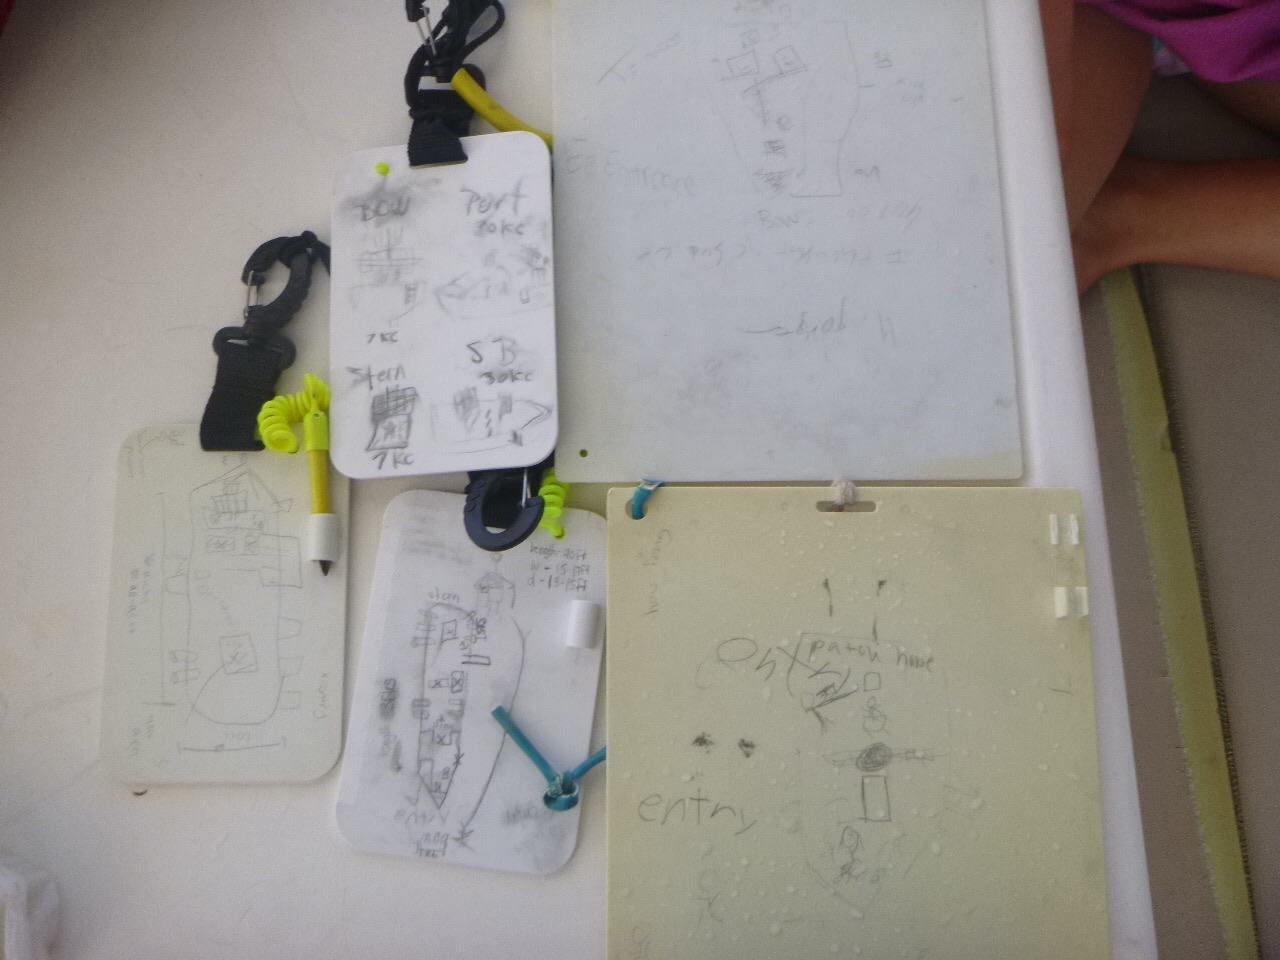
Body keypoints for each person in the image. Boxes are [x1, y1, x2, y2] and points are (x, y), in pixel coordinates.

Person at [1039, 0, 1280, 292]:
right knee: (1010, 221)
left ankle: (1113, 217)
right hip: (1097, 13)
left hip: (1258, 39)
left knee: (1021, 229)